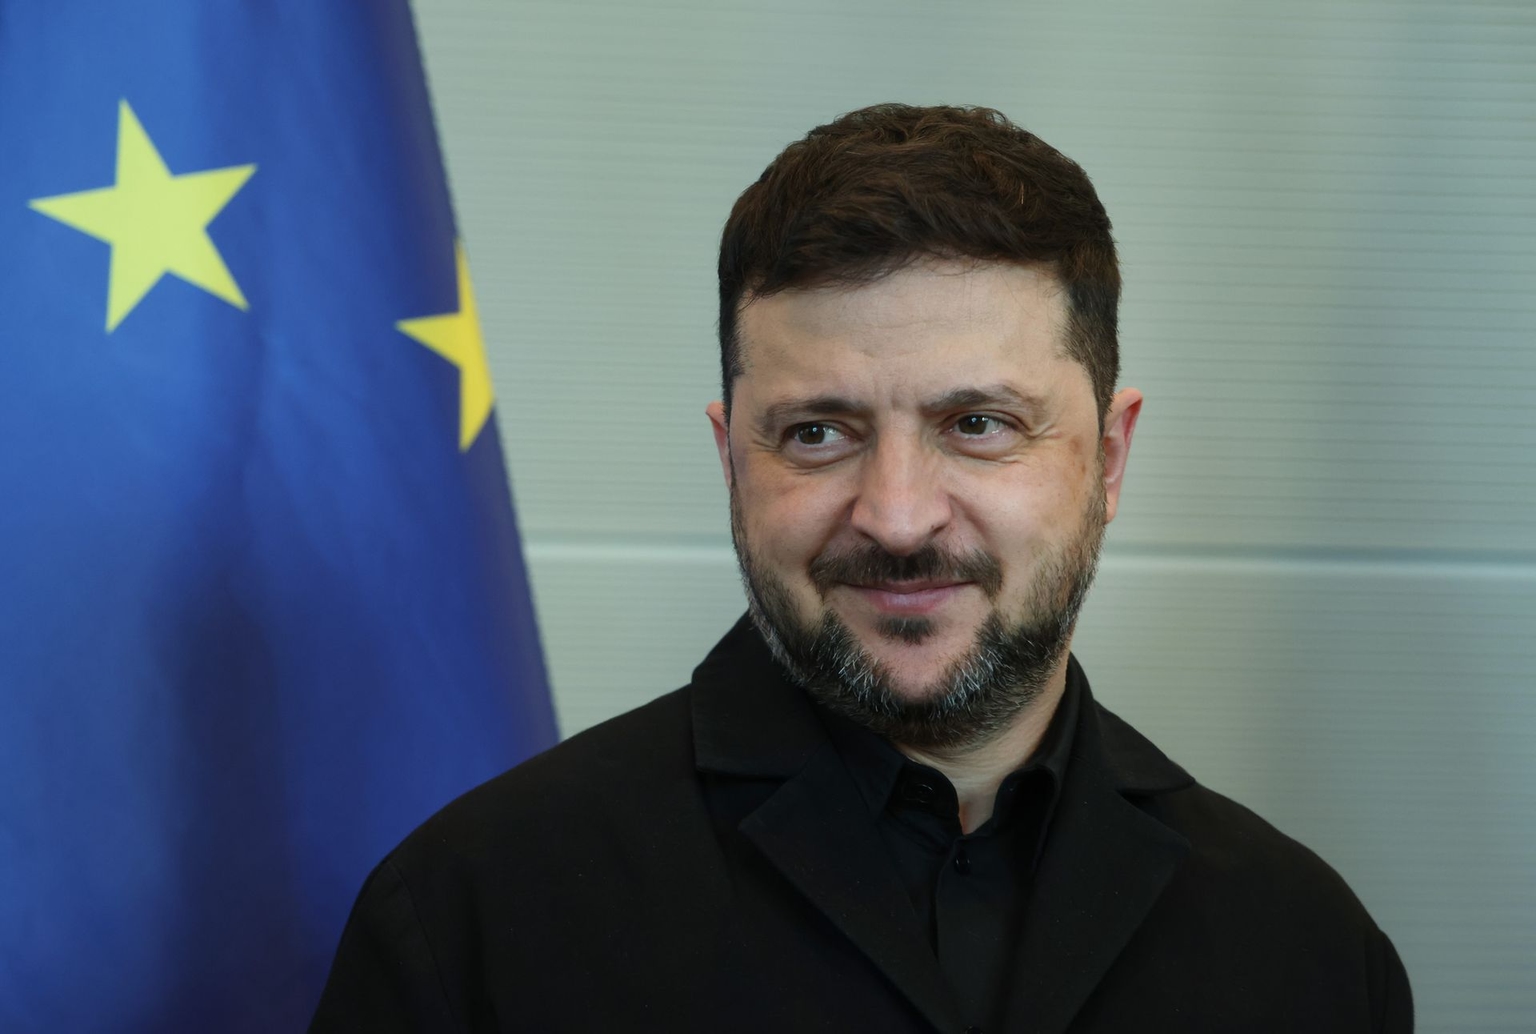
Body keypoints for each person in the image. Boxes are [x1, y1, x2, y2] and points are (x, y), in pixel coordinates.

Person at [310, 104, 1413, 1033]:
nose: (895, 516)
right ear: (731, 457)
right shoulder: (475, 920)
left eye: (978, 422)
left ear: (1109, 457)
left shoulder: (1308, 951)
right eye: (818, 433)